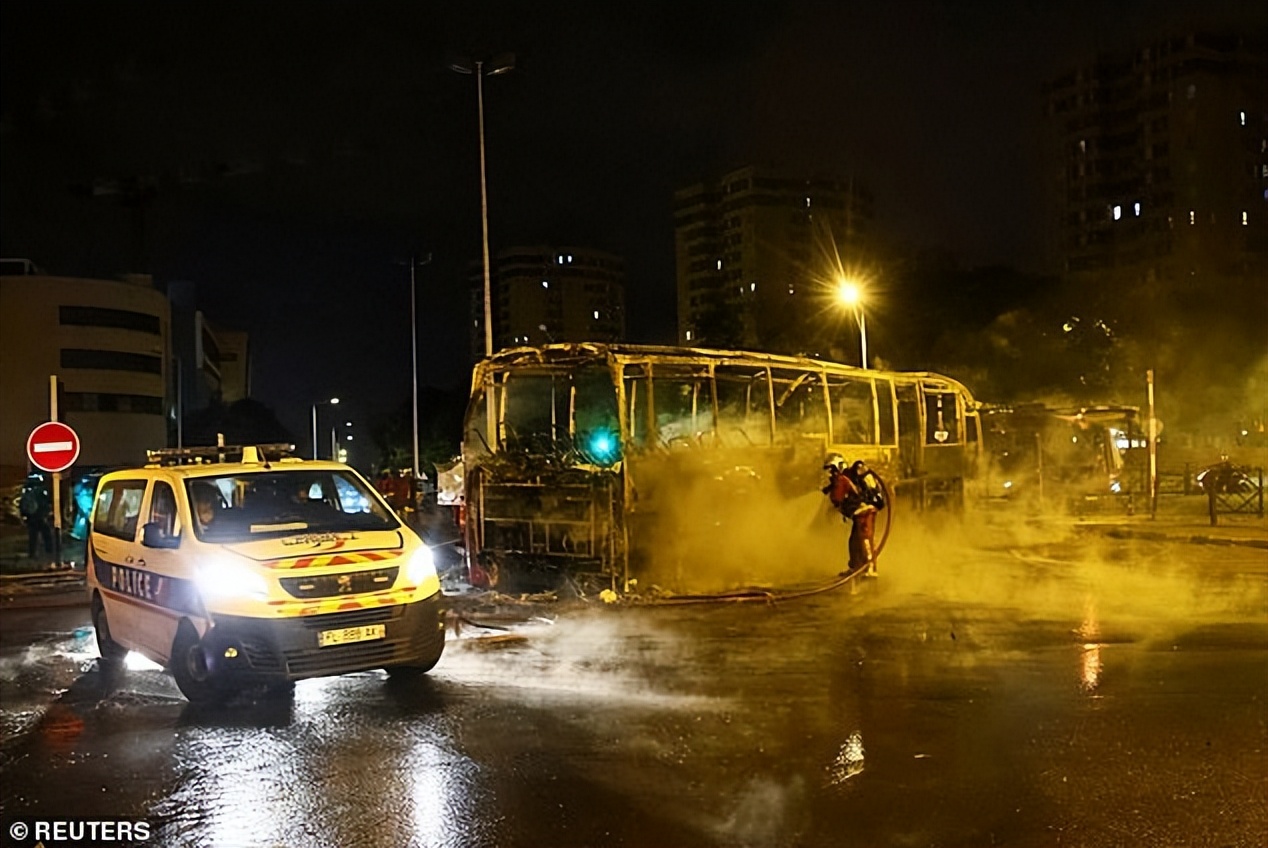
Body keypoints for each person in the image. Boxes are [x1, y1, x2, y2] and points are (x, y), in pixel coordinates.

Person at [823, 455, 886, 576]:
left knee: (865, 538)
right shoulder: (844, 479)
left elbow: (837, 498)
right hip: (859, 513)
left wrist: (832, 506)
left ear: (838, 467)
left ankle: (870, 569)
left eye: (831, 470)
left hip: (864, 511)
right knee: (854, 541)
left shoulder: (842, 480)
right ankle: (856, 567)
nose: (830, 474)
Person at [19, 477, 54, 561]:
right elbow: (45, 503)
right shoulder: (41, 491)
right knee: (46, 533)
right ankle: (49, 551)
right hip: (40, 516)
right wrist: (47, 513)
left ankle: (32, 553)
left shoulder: (27, 491)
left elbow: (22, 504)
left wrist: (24, 515)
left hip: (31, 517)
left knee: (33, 536)